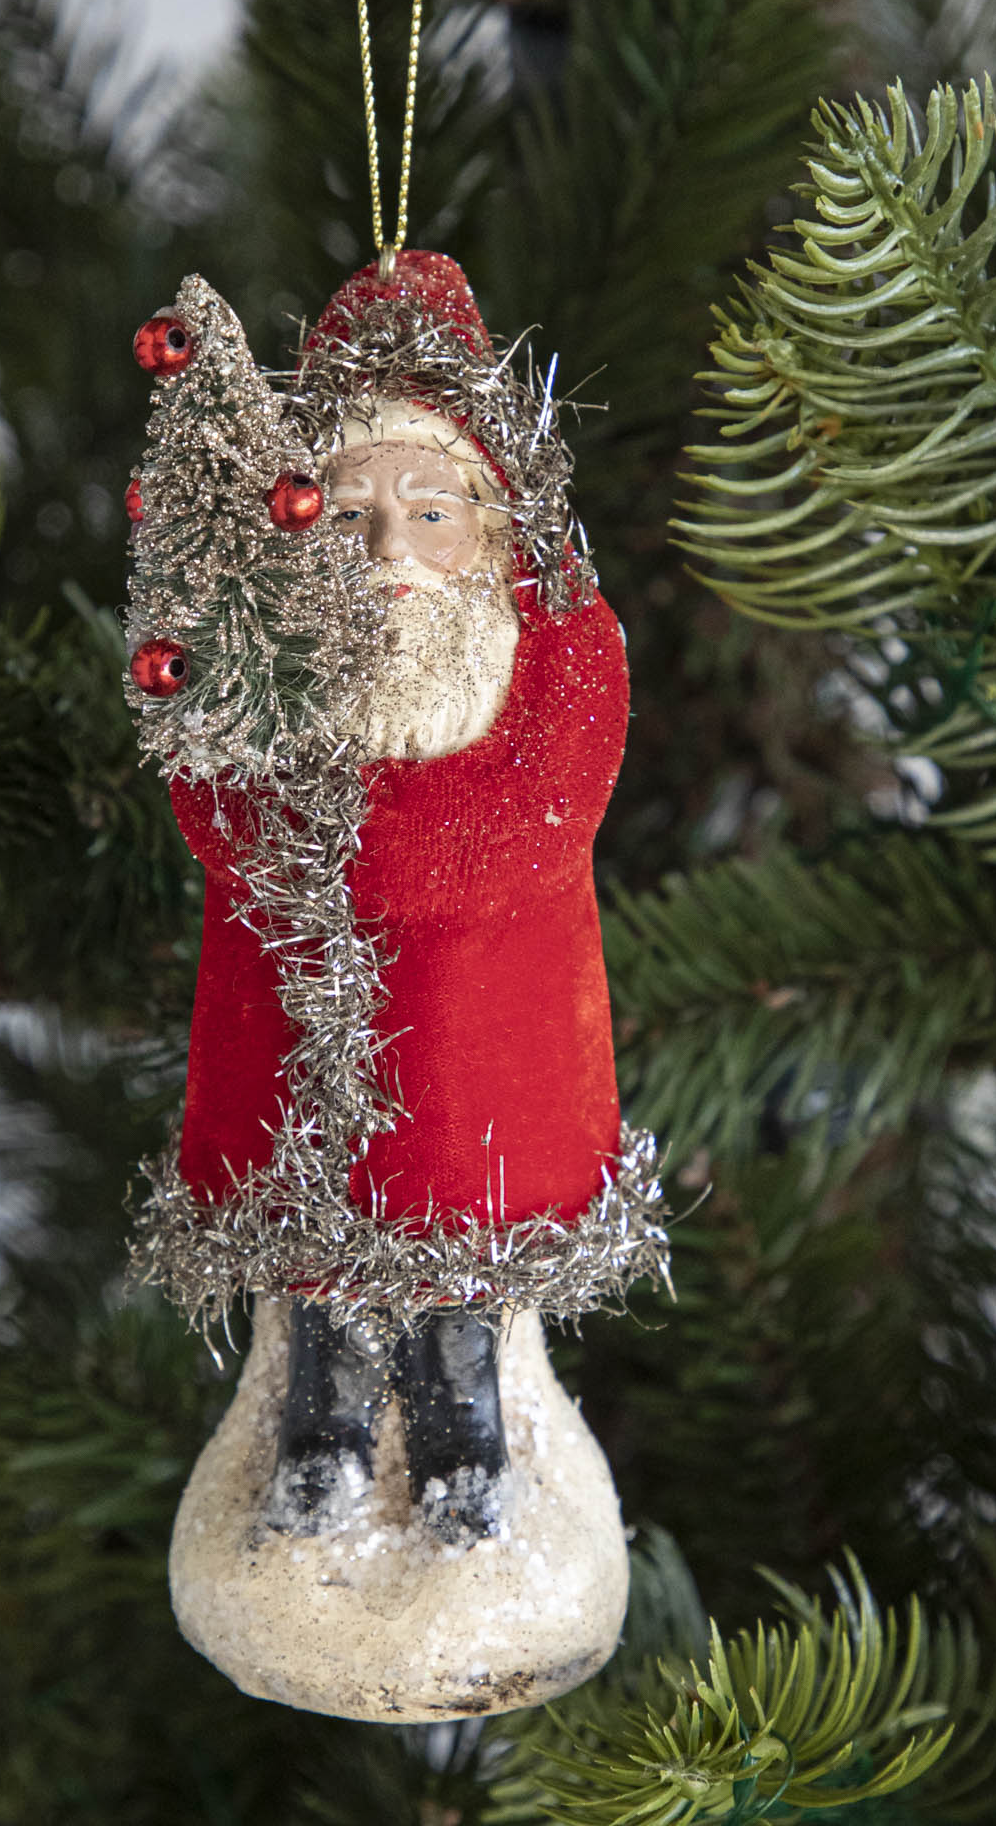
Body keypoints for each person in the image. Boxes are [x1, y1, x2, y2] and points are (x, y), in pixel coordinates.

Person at [154, 252, 667, 1541]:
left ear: (493, 519)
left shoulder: (564, 643)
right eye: (351, 507)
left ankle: (461, 1428)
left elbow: (532, 822)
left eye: (428, 510)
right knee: (314, 1249)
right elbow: (211, 797)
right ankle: (318, 1424)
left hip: (481, 1033)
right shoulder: (255, 643)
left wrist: (351, 855)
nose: (388, 546)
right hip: (300, 1029)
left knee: (464, 1252)